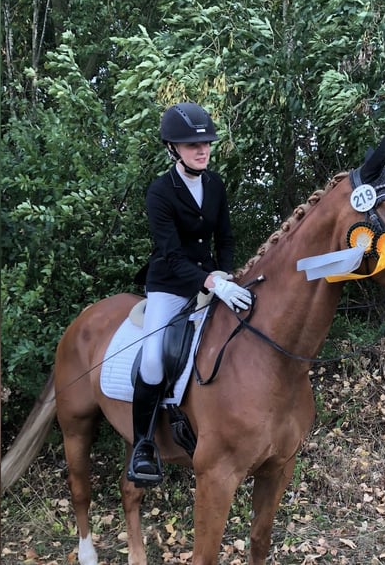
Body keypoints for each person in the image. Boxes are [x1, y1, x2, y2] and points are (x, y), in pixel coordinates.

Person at [128, 102, 252, 486]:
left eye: (206, 144)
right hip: (168, 283)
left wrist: (226, 272)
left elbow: (226, 237)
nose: (202, 151)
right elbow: (171, 253)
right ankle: (143, 446)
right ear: (173, 148)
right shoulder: (160, 192)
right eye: (191, 145)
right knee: (152, 362)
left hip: (213, 277)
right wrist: (210, 282)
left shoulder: (215, 185)